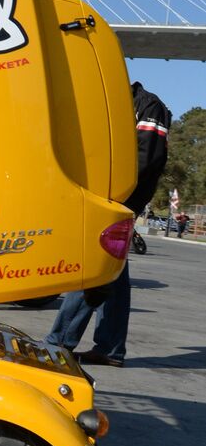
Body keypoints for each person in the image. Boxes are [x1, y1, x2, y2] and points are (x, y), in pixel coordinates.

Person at [46, 81, 171, 367]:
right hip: (107, 196)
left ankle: (59, 343)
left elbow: (147, 157)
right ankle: (110, 348)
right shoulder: (109, 109)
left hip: (119, 198)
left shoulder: (147, 106)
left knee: (92, 264)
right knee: (114, 272)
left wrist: (114, 193)